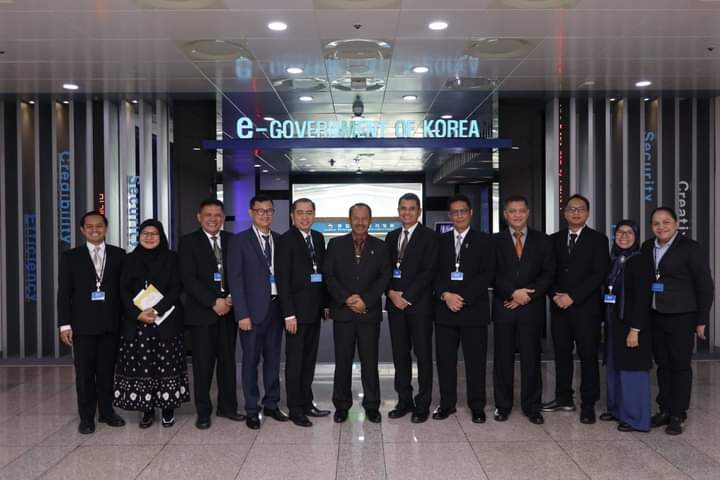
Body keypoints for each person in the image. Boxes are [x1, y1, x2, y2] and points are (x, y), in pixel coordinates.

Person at [643, 207, 714, 435]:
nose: (661, 227)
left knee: (680, 366)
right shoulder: (647, 247)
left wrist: (701, 319)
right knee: (663, 365)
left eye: (666, 222)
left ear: (676, 224)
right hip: (656, 315)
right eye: (656, 223)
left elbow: (705, 284)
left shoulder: (690, 248)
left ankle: (678, 413)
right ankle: (664, 409)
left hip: (682, 316)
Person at [114, 219, 190, 428]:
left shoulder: (172, 258)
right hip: (138, 323)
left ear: (161, 236)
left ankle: (168, 409)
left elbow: (177, 287)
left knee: (167, 366)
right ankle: (146, 410)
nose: (149, 237)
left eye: (154, 233)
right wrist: (137, 313)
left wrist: (157, 310)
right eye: (145, 233)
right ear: (139, 236)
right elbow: (122, 290)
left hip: (166, 321)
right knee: (143, 368)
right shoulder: (129, 259)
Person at [58, 211, 126, 434]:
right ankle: (86, 418)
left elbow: (124, 291)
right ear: (82, 229)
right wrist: (64, 325)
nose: (95, 230)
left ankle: (107, 412)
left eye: (99, 226)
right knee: (85, 374)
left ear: (106, 228)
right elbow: (64, 293)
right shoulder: (71, 257)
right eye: (90, 226)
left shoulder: (119, 255)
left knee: (107, 371)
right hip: (83, 325)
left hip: (110, 323)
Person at [543, 194, 609, 424]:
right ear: (565, 213)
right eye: (571, 209)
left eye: (580, 209)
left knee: (588, 356)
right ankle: (564, 397)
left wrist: (573, 297)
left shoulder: (598, 240)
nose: (576, 213)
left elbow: (599, 274)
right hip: (559, 308)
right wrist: (555, 295)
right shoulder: (553, 240)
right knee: (561, 355)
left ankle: (588, 403)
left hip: (586, 309)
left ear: (587, 213)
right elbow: (547, 272)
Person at [179, 199, 244, 430]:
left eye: (217, 215)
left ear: (223, 218)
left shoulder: (232, 240)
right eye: (208, 215)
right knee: (203, 365)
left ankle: (227, 407)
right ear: (199, 217)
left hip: (229, 310)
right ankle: (203, 411)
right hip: (202, 314)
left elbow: (240, 273)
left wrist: (231, 298)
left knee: (227, 362)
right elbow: (188, 279)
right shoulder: (188, 242)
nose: (213, 219)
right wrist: (212, 302)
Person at [324, 203, 390, 424]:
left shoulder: (380, 247)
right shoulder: (335, 244)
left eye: (364, 218)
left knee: (370, 362)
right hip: (343, 313)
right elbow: (329, 276)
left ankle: (372, 405)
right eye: (356, 218)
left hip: (369, 313)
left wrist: (366, 300)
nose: (360, 222)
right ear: (349, 220)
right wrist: (347, 299)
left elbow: (384, 277)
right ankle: (342, 406)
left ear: (370, 220)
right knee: (342, 361)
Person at [491, 195, 554, 425]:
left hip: (531, 307)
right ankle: (503, 406)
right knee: (502, 359)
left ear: (527, 213)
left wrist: (527, 295)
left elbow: (548, 273)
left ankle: (532, 406)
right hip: (504, 306)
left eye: (521, 211)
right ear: (505, 214)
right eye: (512, 211)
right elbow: (491, 273)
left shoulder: (543, 240)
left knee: (531, 359)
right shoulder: (494, 241)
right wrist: (512, 293)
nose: (517, 215)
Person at [432, 194, 495, 424]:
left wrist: (462, 297)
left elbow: (487, 274)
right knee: (445, 361)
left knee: (475, 362)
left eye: (463, 211)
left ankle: (477, 406)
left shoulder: (485, 241)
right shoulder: (439, 241)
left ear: (471, 213)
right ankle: (447, 404)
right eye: (455, 212)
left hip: (474, 311)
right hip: (445, 310)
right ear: (449, 216)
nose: (459, 216)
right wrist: (446, 295)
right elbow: (433, 273)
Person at [228, 194, 288, 430]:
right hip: (251, 313)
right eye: (260, 211)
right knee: (251, 361)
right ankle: (252, 409)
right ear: (251, 213)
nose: (265, 215)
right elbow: (235, 280)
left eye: (269, 211)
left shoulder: (280, 240)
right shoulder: (239, 241)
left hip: (276, 309)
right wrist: (241, 314)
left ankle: (271, 403)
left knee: (273, 360)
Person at [276, 198, 331, 427]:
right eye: (300, 212)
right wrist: (288, 314)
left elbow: (322, 274)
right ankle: (295, 409)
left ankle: (307, 403)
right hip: (295, 315)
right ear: (292, 215)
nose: (305, 217)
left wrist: (325, 304)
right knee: (295, 362)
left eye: (309, 212)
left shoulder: (318, 237)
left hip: (314, 311)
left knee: (309, 361)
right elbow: (282, 279)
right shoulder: (285, 240)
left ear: (314, 215)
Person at [385, 193, 438, 423]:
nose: (407, 212)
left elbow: (429, 271)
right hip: (395, 306)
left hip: (419, 307)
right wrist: (390, 292)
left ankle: (422, 404)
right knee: (400, 356)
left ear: (419, 211)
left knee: (423, 355)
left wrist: (406, 297)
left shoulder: (430, 237)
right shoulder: (391, 237)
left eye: (411, 208)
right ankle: (404, 401)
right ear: (398, 211)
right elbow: (384, 269)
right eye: (403, 208)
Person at [600, 220, 653, 433]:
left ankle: (636, 419)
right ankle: (617, 410)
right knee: (615, 368)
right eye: (620, 232)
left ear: (636, 236)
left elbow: (643, 299)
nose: (624, 236)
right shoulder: (614, 260)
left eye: (629, 233)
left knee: (633, 371)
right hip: (615, 324)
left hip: (632, 325)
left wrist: (635, 329)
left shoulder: (640, 261)